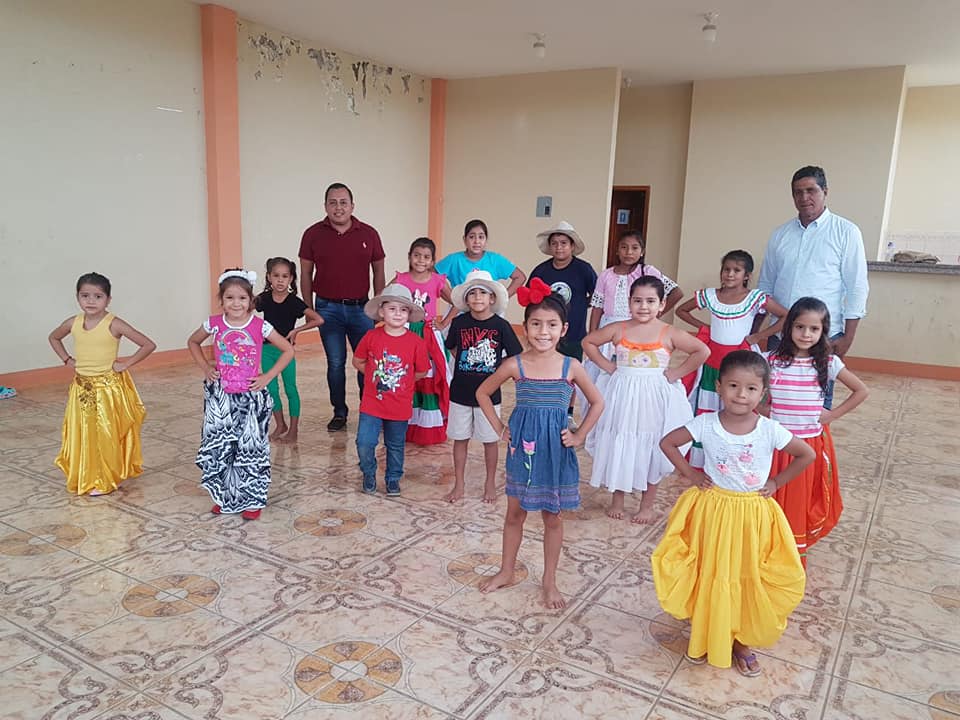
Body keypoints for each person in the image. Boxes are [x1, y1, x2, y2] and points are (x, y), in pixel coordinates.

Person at [653, 350, 815, 676]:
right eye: (733, 386)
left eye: (751, 388)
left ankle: (742, 640)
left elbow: (806, 454)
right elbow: (668, 443)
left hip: (752, 515)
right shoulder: (706, 424)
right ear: (719, 386)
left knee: (746, 573)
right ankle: (706, 632)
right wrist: (691, 473)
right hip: (714, 512)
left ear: (763, 392)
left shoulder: (769, 429)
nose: (741, 395)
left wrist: (776, 481)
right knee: (712, 572)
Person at [475, 284, 604, 609]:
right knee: (515, 513)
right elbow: (482, 393)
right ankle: (506, 570)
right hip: (523, 450)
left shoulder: (571, 366)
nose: (543, 332)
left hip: (556, 452)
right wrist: (500, 428)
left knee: (553, 517)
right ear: (525, 326)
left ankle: (549, 581)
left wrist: (579, 435)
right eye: (535, 324)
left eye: (551, 325)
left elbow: (598, 402)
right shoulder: (514, 364)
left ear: (564, 329)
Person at [582, 276, 708, 523]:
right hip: (622, 397)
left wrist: (677, 373)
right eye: (637, 300)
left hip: (653, 400)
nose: (643, 306)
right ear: (629, 302)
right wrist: (608, 366)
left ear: (662, 304)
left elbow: (702, 350)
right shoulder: (619, 328)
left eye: (651, 301)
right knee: (621, 441)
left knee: (651, 446)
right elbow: (588, 342)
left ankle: (646, 504)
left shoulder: (668, 332)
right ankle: (618, 499)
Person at [764, 297, 869, 564]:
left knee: (797, 498)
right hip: (775, 445)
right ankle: (766, 544)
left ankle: (791, 551)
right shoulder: (771, 360)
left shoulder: (829, 363)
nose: (806, 334)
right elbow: (752, 390)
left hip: (807, 446)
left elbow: (861, 390)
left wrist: (832, 415)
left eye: (814, 329)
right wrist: (764, 411)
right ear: (789, 327)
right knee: (770, 495)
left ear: (823, 331)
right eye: (800, 327)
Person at [757, 166, 869, 408]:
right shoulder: (780, 235)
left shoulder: (846, 232)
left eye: (811, 190)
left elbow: (857, 287)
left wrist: (848, 337)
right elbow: (765, 286)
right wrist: (757, 332)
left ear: (825, 191)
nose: (804, 197)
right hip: (781, 334)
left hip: (824, 336)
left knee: (817, 402)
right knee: (774, 399)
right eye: (798, 192)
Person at [187, 269, 295, 520]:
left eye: (242, 298)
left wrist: (268, 376)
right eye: (230, 298)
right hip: (221, 398)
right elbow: (193, 342)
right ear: (221, 300)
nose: (236, 303)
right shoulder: (214, 323)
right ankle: (225, 496)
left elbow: (288, 350)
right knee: (223, 446)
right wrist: (206, 367)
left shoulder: (260, 326)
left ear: (251, 300)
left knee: (251, 447)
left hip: (250, 398)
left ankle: (252, 499)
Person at [675, 250, 789, 468]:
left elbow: (786, 315)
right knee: (710, 405)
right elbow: (681, 310)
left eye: (736, 270)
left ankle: (739, 455)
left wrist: (759, 336)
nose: (730, 274)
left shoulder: (755, 298)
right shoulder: (710, 295)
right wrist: (705, 327)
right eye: (726, 269)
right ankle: (706, 459)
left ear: (747, 275)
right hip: (713, 361)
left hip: (742, 359)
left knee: (739, 404)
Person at [49, 272, 156, 496]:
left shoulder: (114, 324)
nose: (91, 301)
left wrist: (126, 364)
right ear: (77, 297)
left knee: (105, 434)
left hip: (107, 389)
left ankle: (106, 477)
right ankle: (87, 473)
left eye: (98, 296)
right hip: (81, 388)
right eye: (85, 295)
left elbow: (148, 344)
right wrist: (67, 360)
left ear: (108, 299)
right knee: (84, 432)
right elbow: (54, 337)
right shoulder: (73, 322)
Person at [299, 182, 386, 432]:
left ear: (352, 206)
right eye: (333, 202)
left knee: (366, 361)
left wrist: (378, 305)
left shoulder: (369, 234)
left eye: (343, 202)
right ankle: (339, 412)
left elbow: (379, 272)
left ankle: (369, 410)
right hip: (327, 309)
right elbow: (305, 274)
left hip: (362, 309)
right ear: (325, 206)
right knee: (335, 363)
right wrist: (308, 309)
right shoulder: (312, 234)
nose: (338, 207)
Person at [443, 270, 523, 503]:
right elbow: (452, 347)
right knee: (460, 438)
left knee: (490, 440)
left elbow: (515, 356)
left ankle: (489, 482)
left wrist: (498, 374)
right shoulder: (459, 323)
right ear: (466, 299)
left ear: (492, 298)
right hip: (460, 393)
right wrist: (468, 362)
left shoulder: (501, 325)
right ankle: (459, 483)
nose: (478, 297)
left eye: (483, 293)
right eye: (472, 293)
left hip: (489, 396)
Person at [582, 230, 683, 410]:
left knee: (631, 370)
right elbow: (597, 306)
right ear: (617, 250)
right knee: (603, 375)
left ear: (642, 251)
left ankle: (630, 407)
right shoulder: (606, 275)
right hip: (608, 330)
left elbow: (676, 292)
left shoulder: (648, 271)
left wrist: (655, 315)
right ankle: (605, 412)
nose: (629, 252)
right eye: (624, 247)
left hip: (636, 330)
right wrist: (594, 334)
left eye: (635, 248)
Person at [352, 284, 430, 496]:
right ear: (381, 312)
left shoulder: (416, 342)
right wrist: (375, 374)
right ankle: (369, 472)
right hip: (372, 403)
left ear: (409, 314)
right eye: (392, 308)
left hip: (400, 405)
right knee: (364, 442)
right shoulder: (371, 336)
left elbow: (422, 371)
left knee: (395, 445)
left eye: (403, 309)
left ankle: (393, 478)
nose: (397, 313)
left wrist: (400, 380)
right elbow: (358, 361)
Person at [528, 221, 597, 420]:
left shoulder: (583, 269)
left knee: (570, 372)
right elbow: (531, 297)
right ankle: (546, 405)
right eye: (555, 243)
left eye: (564, 243)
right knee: (547, 369)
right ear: (550, 247)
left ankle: (567, 412)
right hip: (547, 333)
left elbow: (597, 294)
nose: (559, 247)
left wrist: (582, 304)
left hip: (574, 331)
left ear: (572, 246)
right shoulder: (541, 271)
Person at [392, 238, 453, 445]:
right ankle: (404, 424)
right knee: (405, 374)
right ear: (409, 257)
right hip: (406, 332)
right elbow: (385, 296)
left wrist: (444, 322)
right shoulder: (401, 279)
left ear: (432, 261)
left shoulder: (437, 280)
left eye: (426, 257)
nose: (421, 260)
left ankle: (427, 428)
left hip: (427, 334)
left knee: (428, 376)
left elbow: (457, 302)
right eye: (417, 255)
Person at [255, 257, 323, 443]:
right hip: (266, 350)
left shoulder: (294, 302)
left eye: (285, 276)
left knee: (290, 388)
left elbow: (318, 319)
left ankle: (293, 429)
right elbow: (245, 309)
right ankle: (280, 425)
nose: (280, 280)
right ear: (269, 277)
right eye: (276, 275)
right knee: (271, 389)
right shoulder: (264, 298)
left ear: (291, 279)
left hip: (286, 352)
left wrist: (296, 330)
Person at [435, 219, 526, 327]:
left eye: (481, 237)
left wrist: (501, 297)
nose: (476, 241)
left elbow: (520, 277)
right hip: (459, 311)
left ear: (486, 240)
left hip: (488, 312)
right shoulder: (454, 259)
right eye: (472, 237)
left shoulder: (494, 259)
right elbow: (432, 276)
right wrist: (452, 299)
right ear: (464, 240)